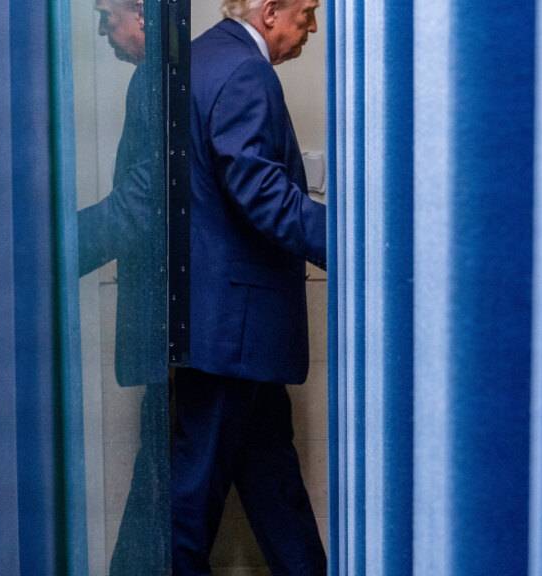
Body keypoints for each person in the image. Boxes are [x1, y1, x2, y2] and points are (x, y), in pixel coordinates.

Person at [174, 0, 327, 574]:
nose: (311, 27)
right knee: (190, 504)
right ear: (269, 12)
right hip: (232, 330)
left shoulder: (201, 59)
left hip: (228, 328)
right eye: (307, 13)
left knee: (273, 487)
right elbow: (261, 191)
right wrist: (352, 244)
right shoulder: (244, 70)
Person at [78, 0, 169, 573]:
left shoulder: (155, 79)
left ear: (141, 13)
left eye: (106, 16)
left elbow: (141, 201)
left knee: (164, 477)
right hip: (209, 326)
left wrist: (53, 248)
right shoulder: (166, 75)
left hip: (181, 323)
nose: (103, 33)